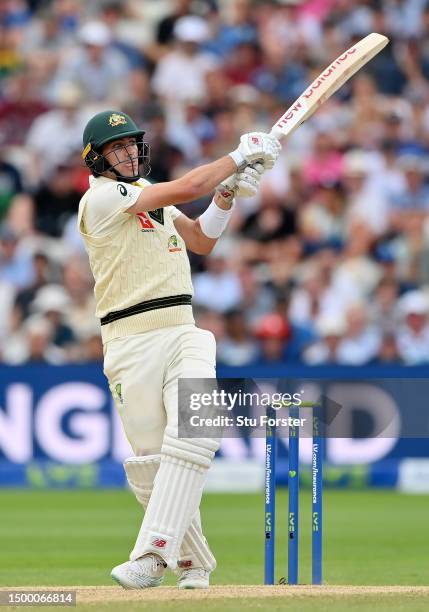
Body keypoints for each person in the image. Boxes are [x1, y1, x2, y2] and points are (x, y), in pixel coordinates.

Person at [78, 109, 281, 589]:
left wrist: (227, 195)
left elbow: (203, 239)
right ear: (97, 160)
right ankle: (194, 562)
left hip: (183, 330)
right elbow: (190, 186)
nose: (129, 153)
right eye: (117, 148)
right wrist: (236, 157)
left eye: (132, 144)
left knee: (197, 433)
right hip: (128, 341)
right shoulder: (103, 199)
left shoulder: (155, 204)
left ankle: (150, 555)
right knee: (152, 464)